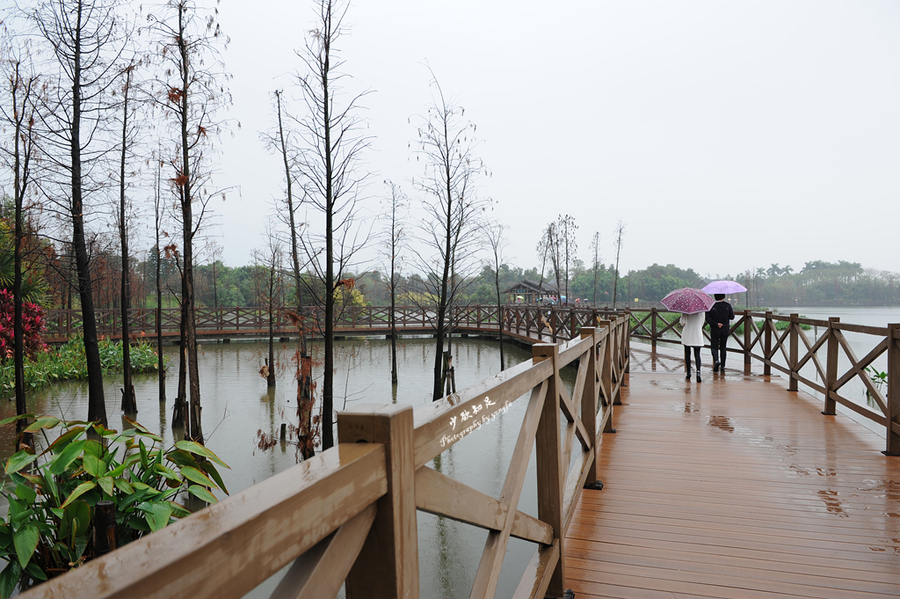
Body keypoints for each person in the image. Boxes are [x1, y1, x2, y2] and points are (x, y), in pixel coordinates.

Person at [705, 294, 735, 374]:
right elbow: (732, 317)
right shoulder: (727, 305)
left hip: (715, 329)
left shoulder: (711, 306)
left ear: (715, 297)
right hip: (725, 328)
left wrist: (716, 324)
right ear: (724, 297)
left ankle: (716, 360)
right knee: (723, 347)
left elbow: (708, 318)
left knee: (714, 347)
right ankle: (722, 366)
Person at [680, 311, 705, 382]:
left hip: (687, 332)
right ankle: (698, 372)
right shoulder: (702, 310)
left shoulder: (685, 309)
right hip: (697, 333)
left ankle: (688, 372)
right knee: (697, 354)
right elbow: (702, 323)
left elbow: (682, 322)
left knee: (687, 353)